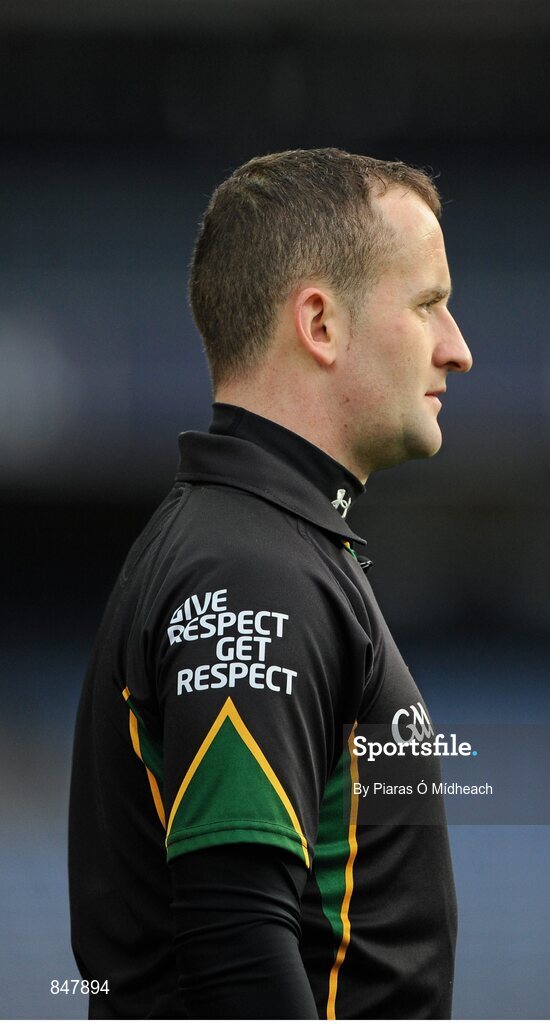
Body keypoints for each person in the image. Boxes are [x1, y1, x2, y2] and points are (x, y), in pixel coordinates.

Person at [68, 148, 473, 1019]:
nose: (458, 349)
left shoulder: (263, 544)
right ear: (320, 324)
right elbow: (233, 950)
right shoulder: (252, 571)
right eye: (429, 305)